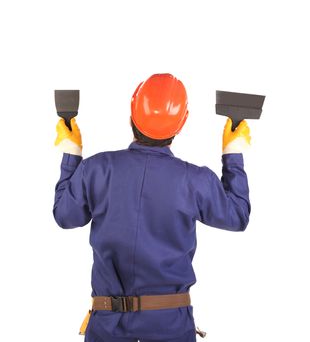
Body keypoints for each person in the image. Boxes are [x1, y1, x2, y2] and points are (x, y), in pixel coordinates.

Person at [53, 73, 251, 342]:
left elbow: (65, 216)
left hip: (108, 325)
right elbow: (237, 216)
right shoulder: (194, 180)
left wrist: (71, 152)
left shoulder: (96, 169)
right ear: (180, 126)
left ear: (132, 117)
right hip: (170, 325)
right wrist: (233, 153)